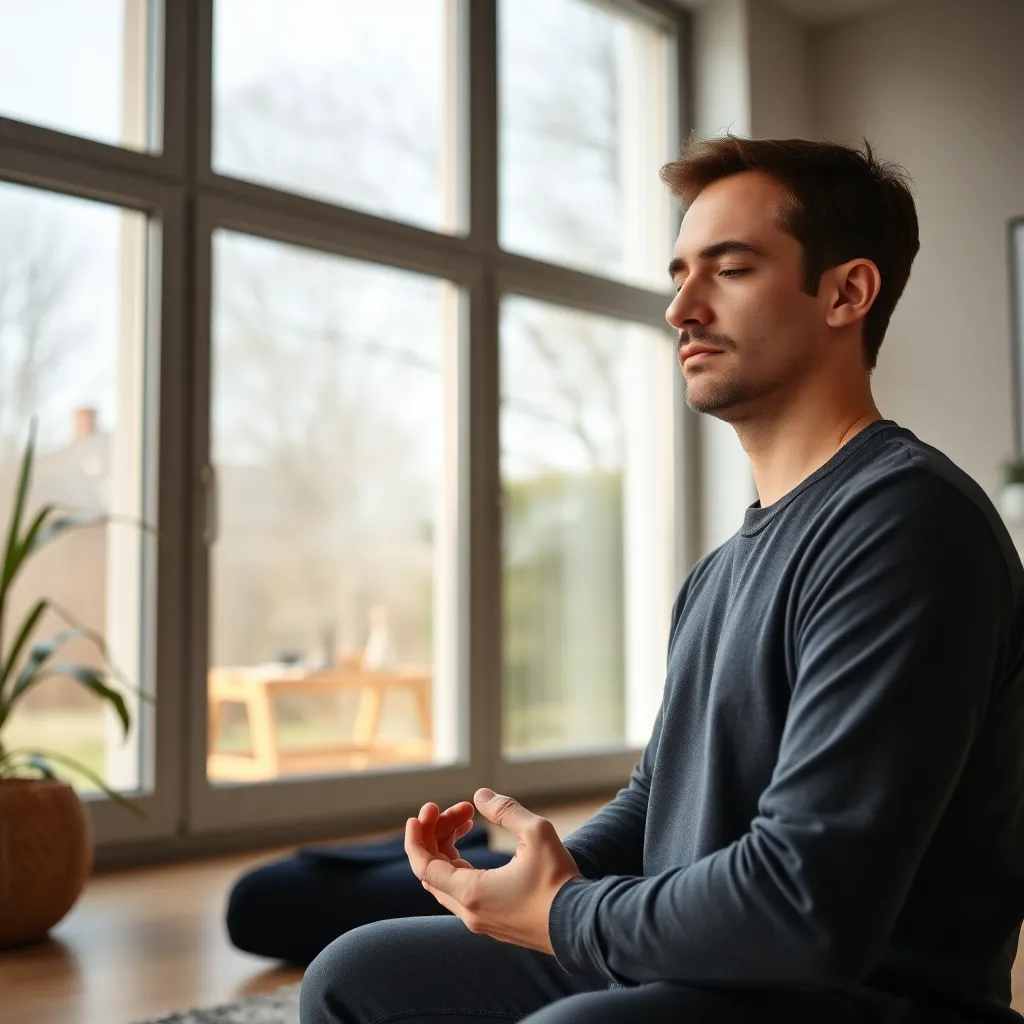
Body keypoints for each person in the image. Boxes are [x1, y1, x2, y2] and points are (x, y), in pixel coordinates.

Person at [299, 135, 1024, 1024]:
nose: (682, 307)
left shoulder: (907, 527)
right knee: (358, 972)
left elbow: (811, 904)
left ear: (847, 292)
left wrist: (565, 917)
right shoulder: (721, 570)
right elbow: (661, 799)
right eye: (680, 274)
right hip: (704, 966)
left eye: (730, 270)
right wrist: (522, 881)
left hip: (860, 995)